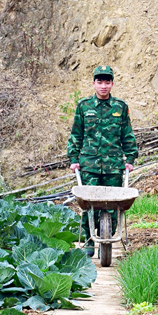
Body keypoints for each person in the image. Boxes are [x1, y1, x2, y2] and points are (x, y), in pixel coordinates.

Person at [66, 64, 139, 256]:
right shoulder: (84, 106)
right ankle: (89, 241)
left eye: (107, 81)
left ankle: (106, 242)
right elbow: (76, 135)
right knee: (88, 205)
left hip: (113, 165)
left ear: (112, 84)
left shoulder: (120, 107)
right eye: (100, 82)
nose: (103, 86)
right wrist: (74, 159)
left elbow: (127, 135)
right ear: (94, 83)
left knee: (113, 206)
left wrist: (130, 158)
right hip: (89, 165)